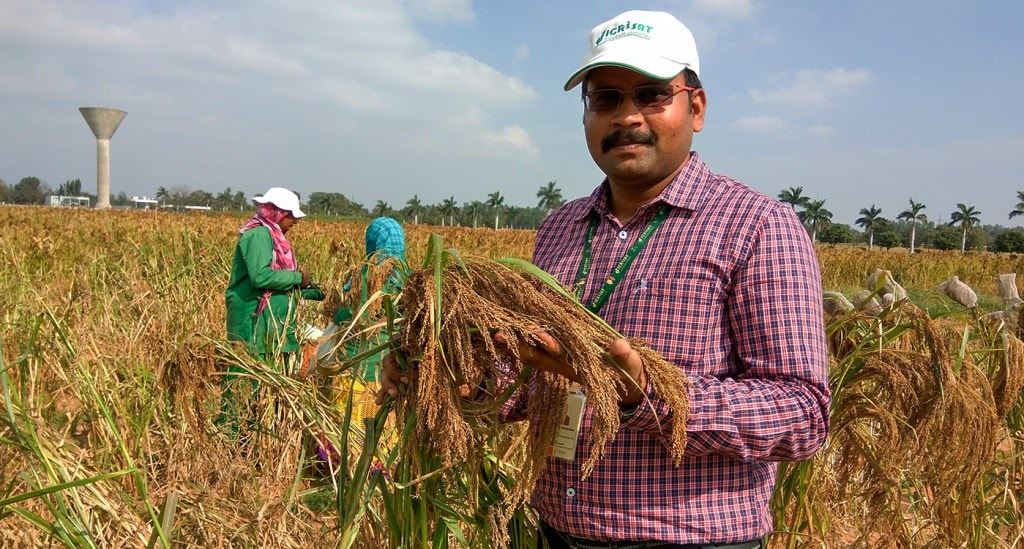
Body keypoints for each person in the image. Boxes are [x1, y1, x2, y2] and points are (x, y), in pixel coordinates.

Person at [380, 10, 830, 548]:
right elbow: (534, 382)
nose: (628, 117)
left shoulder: (757, 226)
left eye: (652, 94)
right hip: (558, 528)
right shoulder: (561, 229)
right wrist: (456, 377)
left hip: (687, 538)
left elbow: (802, 413)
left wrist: (643, 395)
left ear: (697, 107)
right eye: (606, 98)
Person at [222, 186, 324, 433]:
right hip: (253, 324)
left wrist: (318, 292)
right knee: (242, 387)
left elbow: (281, 285)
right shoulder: (258, 236)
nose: (294, 223)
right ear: (278, 213)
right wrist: (297, 277)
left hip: (272, 328)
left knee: (267, 389)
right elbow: (261, 277)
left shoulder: (275, 239)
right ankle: (230, 437)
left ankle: (257, 436)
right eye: (292, 217)